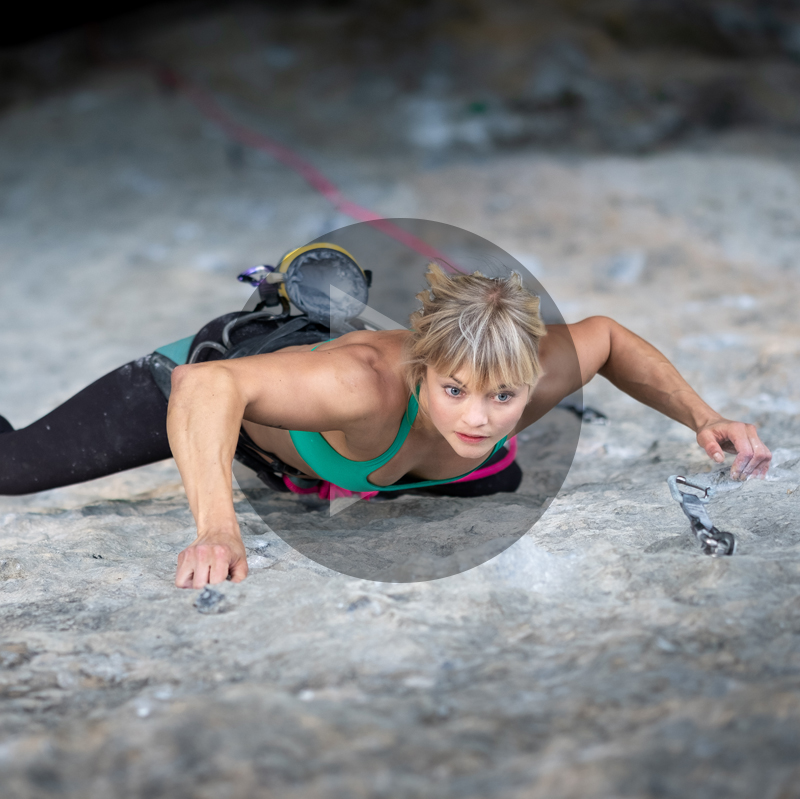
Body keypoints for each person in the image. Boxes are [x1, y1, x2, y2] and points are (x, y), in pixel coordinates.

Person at [0, 263, 772, 589]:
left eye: (503, 396)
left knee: (487, 475)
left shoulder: (529, 375)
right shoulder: (361, 384)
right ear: (423, 369)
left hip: (360, 453)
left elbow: (607, 337)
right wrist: (218, 531)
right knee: (11, 471)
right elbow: (205, 388)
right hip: (232, 378)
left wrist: (706, 418)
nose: (479, 417)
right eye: (455, 390)